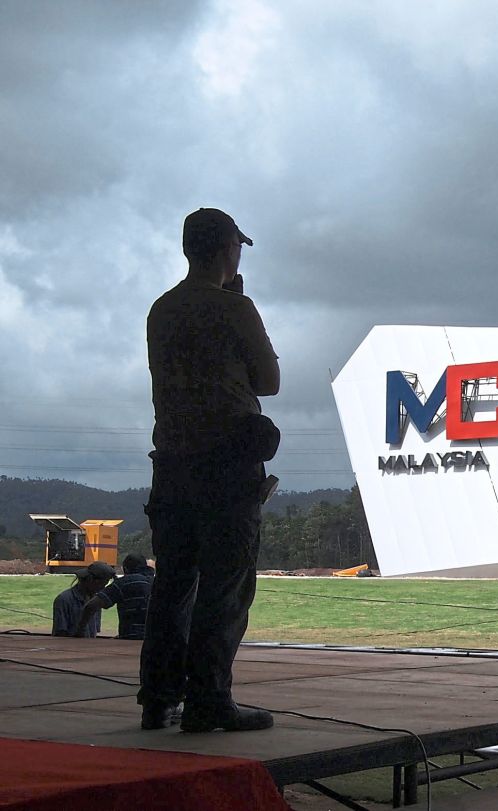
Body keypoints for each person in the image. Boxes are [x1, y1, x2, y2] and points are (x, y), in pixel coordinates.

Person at [139, 207, 280, 733]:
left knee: (173, 586)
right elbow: (268, 382)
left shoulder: (161, 310)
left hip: (172, 465)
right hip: (226, 464)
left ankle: (157, 699)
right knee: (226, 586)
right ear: (228, 251)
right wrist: (238, 302)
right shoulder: (235, 309)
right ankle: (209, 699)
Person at [73, 553, 155, 640]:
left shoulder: (123, 583)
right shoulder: (156, 582)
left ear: (125, 569)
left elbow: (91, 606)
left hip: (131, 638)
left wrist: (80, 631)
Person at [52, 562, 114, 637]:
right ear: (90, 580)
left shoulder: (95, 601)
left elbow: (94, 631)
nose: (102, 589)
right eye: (102, 585)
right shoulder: (64, 600)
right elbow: (60, 633)